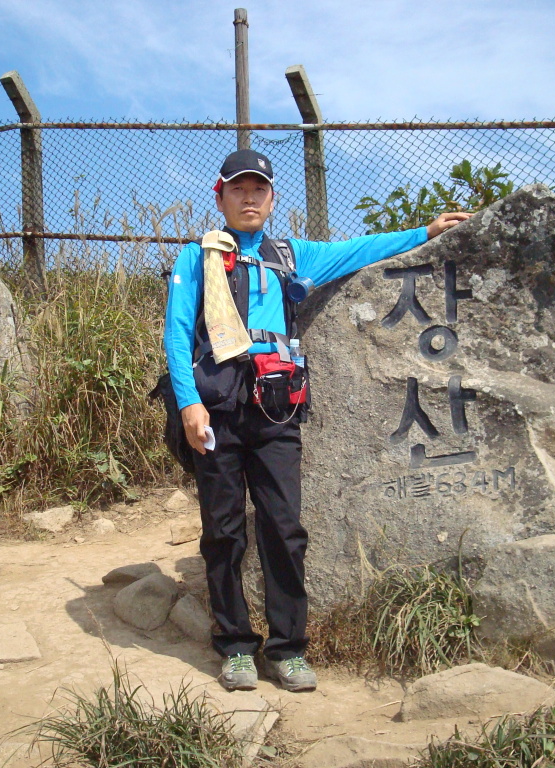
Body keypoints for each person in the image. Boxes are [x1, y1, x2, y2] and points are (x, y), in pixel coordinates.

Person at [164, 148, 469, 692]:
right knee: (223, 531)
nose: (249, 196)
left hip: (276, 409)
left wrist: (422, 231)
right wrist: (188, 403)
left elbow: (357, 250)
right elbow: (177, 333)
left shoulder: (291, 255)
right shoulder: (197, 258)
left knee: (285, 528)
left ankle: (287, 650)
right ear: (221, 195)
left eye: (259, 188)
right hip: (216, 412)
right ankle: (235, 647)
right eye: (239, 188)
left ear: (273, 197)